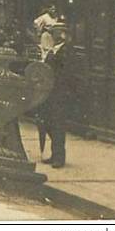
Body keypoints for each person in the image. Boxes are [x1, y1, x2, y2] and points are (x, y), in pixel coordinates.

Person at [36, 23, 72, 168]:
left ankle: (59, 157)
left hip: (60, 92)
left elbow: (65, 73)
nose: (52, 35)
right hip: (51, 92)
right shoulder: (53, 51)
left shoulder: (67, 51)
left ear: (62, 34)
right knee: (49, 122)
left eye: (55, 33)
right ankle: (54, 154)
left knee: (57, 125)